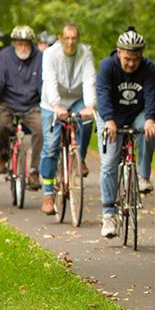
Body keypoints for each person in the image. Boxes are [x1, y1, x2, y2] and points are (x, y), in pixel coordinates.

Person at [96, 27, 155, 237]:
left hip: (136, 113)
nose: (131, 63)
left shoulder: (149, 68)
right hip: (111, 115)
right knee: (108, 163)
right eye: (127, 58)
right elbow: (103, 95)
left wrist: (150, 119)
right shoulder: (107, 66)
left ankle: (143, 176)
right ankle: (109, 215)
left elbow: (151, 95)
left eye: (136, 58)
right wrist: (109, 121)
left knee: (149, 130)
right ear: (118, 51)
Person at [39, 23, 97, 215]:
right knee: (51, 145)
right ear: (60, 37)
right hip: (52, 102)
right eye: (67, 38)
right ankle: (48, 192)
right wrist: (56, 105)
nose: (70, 42)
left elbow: (90, 80)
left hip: (77, 99)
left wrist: (90, 105)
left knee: (87, 120)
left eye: (74, 38)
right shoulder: (50, 54)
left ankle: (80, 156)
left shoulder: (85, 53)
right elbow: (49, 81)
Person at [0, 25, 43, 189]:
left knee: (41, 129)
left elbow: (44, 84)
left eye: (26, 44)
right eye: (20, 44)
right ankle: (3, 155)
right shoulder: (4, 57)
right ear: (14, 43)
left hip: (32, 105)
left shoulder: (40, 58)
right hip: (8, 104)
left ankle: (33, 170)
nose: (23, 47)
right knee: (0, 126)